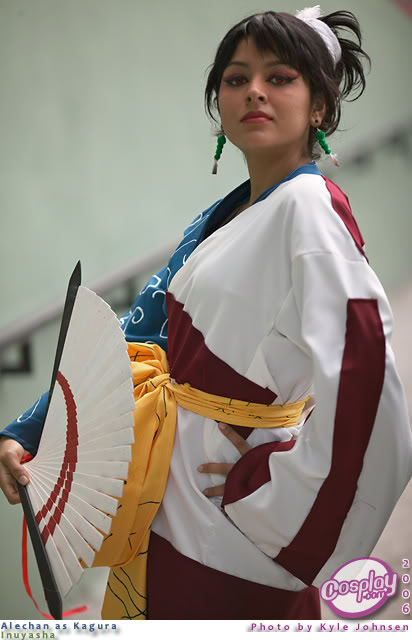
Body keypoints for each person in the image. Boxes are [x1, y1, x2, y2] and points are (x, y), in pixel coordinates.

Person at [1, 5, 411, 621]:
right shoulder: (231, 212)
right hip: (171, 499)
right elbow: (142, 335)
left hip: (231, 526)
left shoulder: (309, 209)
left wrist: (276, 495)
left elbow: (370, 386)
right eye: (236, 77)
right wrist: (28, 430)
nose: (254, 91)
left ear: (319, 107)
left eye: (280, 78)